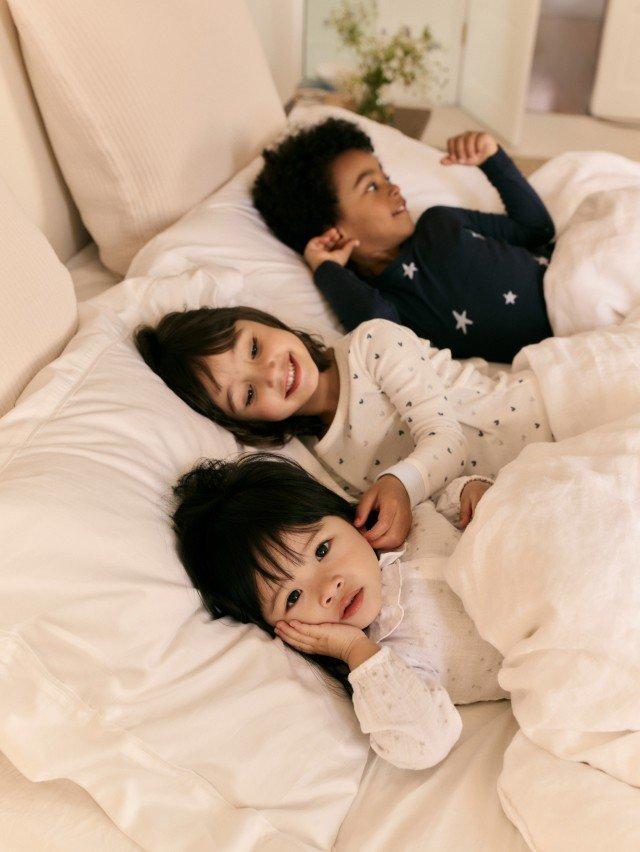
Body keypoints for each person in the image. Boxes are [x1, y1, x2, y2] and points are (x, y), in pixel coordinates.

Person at [172, 452, 501, 770]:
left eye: (322, 549)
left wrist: (473, 490)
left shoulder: (407, 524)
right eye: (293, 597)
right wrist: (355, 650)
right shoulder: (394, 658)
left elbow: (457, 493)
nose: (328, 587)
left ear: (346, 517)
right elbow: (426, 742)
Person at [135, 306, 552, 549]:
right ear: (246, 423)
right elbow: (433, 494)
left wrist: (398, 486)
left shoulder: (370, 344)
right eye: (246, 395)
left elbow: (447, 440)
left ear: (261, 320)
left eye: (255, 348)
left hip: (548, 410)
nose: (269, 373)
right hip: (521, 483)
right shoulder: (322, 462)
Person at [252, 119, 556, 363]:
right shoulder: (386, 304)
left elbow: (537, 230)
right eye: (371, 186)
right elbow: (383, 334)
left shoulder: (441, 222)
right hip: (559, 347)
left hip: (568, 285)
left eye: (385, 176)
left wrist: (493, 159)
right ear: (333, 230)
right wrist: (327, 271)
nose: (394, 188)